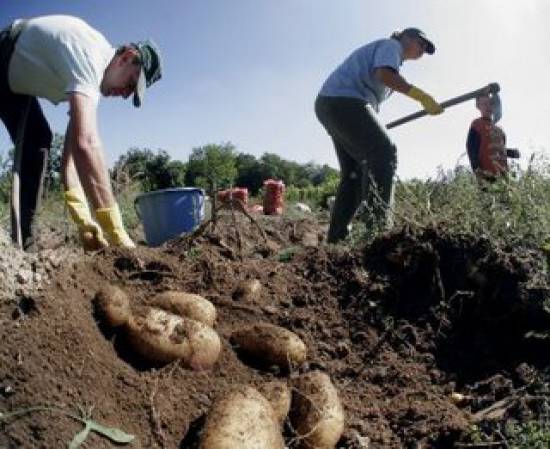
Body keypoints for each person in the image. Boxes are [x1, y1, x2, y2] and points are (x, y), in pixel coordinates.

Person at [0, 15, 162, 250]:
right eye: (130, 84)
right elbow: (86, 144)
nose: (126, 94)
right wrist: (116, 231)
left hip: (18, 83)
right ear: (126, 57)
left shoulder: (89, 86)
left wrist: (84, 221)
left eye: (132, 93)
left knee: (38, 141)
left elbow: (71, 161)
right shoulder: (90, 57)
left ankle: (22, 242)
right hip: (5, 56)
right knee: (37, 139)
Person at [315, 27, 443, 244]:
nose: (423, 50)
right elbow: (384, 75)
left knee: (353, 174)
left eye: (426, 49)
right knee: (384, 152)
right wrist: (421, 96)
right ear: (406, 38)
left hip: (331, 103)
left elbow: (377, 86)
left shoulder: (390, 56)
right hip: (345, 101)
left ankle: (336, 241)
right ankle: (378, 235)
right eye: (421, 44)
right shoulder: (392, 46)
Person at [466, 94, 510, 182]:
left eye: (490, 103)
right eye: (484, 104)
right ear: (478, 106)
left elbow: (500, 151)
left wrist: (512, 153)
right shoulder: (477, 125)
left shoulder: (499, 130)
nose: (488, 106)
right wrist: (477, 170)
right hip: (487, 175)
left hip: (503, 177)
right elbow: (471, 148)